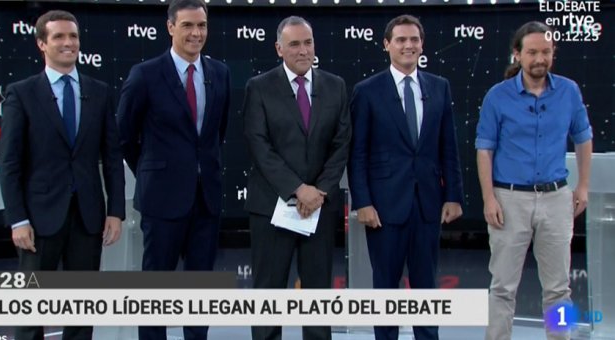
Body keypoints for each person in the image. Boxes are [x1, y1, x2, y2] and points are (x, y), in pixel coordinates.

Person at [0, 9, 125, 340]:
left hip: (87, 215)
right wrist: (17, 219)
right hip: (38, 219)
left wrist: (115, 211)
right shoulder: (22, 93)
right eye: (59, 36)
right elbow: (10, 163)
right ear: (42, 43)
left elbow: (111, 156)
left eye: (73, 36)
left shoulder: (99, 91)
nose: (68, 43)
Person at [116, 0, 230, 338]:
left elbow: (216, 134)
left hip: (206, 198)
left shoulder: (219, 73)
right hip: (161, 198)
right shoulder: (145, 74)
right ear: (170, 27)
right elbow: (125, 135)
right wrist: (154, 171)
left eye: (202, 26)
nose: (196, 33)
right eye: (188, 26)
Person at [347, 14, 463, 340]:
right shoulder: (367, 91)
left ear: (422, 45)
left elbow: (448, 147)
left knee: (426, 286)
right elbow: (358, 154)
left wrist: (453, 195)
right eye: (400, 40)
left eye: (414, 40)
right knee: (386, 287)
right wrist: (363, 202)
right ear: (387, 45)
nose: (408, 45)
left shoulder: (439, 87)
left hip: (427, 203)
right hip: (384, 207)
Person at [476, 21, 592, 340]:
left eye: (545, 52)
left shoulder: (568, 91)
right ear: (517, 55)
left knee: (558, 288)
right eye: (532, 52)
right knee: (502, 287)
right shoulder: (497, 97)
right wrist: (488, 198)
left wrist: (582, 185)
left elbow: (584, 138)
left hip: (556, 198)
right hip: (509, 199)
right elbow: (484, 150)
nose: (539, 58)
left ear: (552, 53)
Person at [242, 15, 351, 340]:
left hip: (318, 208)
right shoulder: (259, 87)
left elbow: (341, 143)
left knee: (317, 297)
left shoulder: (335, 85)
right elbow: (258, 145)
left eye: (308, 42)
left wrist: (318, 191)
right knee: (268, 295)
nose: (303, 50)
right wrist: (297, 188)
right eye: (294, 44)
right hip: (271, 207)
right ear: (279, 48)